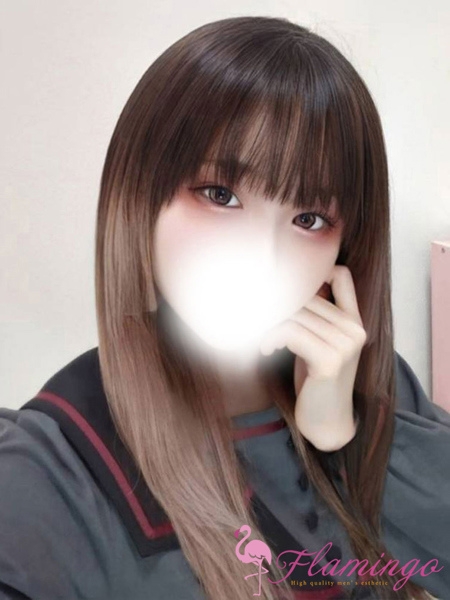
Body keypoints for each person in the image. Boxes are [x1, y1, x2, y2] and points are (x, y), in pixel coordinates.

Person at [0, 15, 449, 600]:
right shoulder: (53, 468)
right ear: (138, 199)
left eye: (309, 219)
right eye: (220, 195)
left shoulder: (364, 380)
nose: (262, 257)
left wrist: (348, 434)